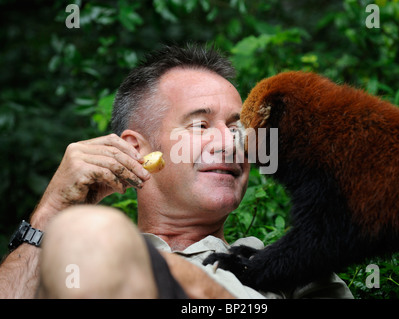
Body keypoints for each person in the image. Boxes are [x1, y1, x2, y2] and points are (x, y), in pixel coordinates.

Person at [0, 44, 353, 299]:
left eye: (236, 128)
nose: (230, 143)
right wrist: (51, 212)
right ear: (135, 150)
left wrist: (185, 281)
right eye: (200, 125)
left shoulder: (292, 268)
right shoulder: (72, 260)